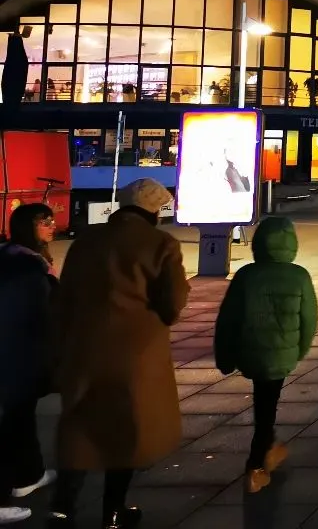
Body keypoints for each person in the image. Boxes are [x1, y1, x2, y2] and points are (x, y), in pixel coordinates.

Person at [47, 178, 189, 528]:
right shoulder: (161, 244)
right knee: (127, 431)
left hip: (83, 350)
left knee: (79, 427)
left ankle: (62, 507)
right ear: (154, 211)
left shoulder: (87, 240)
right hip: (135, 357)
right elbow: (172, 305)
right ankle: (113, 511)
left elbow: (64, 300)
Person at [214, 216, 317, 494]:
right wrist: (298, 350)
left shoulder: (246, 275)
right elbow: (309, 320)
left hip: (250, 351)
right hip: (282, 355)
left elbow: (228, 320)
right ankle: (256, 465)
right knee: (266, 409)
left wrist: (224, 356)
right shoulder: (299, 276)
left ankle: (269, 448)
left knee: (265, 405)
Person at [0, 204, 59, 525]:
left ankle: (28, 475)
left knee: (19, 417)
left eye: (51, 219)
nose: (51, 225)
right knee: (14, 419)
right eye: (43, 222)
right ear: (27, 226)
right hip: (18, 352)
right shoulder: (25, 265)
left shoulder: (16, 256)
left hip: (17, 352)